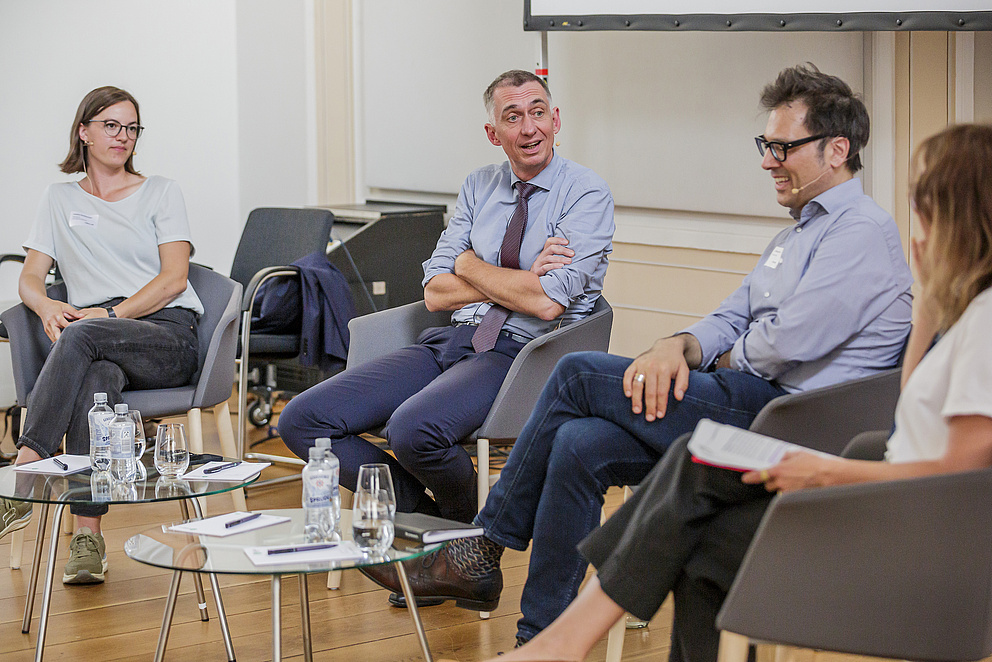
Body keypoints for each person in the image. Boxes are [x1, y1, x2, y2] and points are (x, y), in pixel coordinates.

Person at [360, 63, 913, 645]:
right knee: (578, 444)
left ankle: (483, 548)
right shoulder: (794, 236)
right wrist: (679, 345)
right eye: (765, 144)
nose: (767, 159)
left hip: (791, 419)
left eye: (781, 146)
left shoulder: (860, 232)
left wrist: (703, 361)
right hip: (751, 399)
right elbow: (731, 315)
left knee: (576, 372)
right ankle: (539, 638)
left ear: (836, 151)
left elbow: (786, 346)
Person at [481, 121, 992, 662]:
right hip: (878, 497)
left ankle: (523, 594)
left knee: (594, 385)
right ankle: (546, 636)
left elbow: (957, 474)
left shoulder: (973, 315)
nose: (769, 160)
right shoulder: (952, 312)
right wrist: (931, 302)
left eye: (926, 211)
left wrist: (822, 470)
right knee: (596, 451)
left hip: (904, 531)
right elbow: (909, 419)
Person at [277, 70, 614, 529]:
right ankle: (441, 527)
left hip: (524, 353)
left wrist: (471, 265)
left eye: (538, 113)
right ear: (493, 134)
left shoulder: (586, 193)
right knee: (302, 420)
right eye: (512, 117)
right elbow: (436, 292)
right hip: (453, 339)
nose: (529, 128)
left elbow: (546, 304)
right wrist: (518, 276)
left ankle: (456, 541)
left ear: (555, 119)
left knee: (413, 430)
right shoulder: (479, 186)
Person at [0, 86, 203, 585]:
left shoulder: (161, 191)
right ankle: (88, 538)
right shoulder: (59, 197)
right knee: (96, 378)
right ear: (83, 131)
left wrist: (108, 315)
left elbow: (174, 278)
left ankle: (27, 466)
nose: (122, 136)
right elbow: (30, 277)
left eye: (131, 127)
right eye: (111, 125)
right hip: (99, 342)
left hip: (166, 335)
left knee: (85, 337)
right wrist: (47, 304)